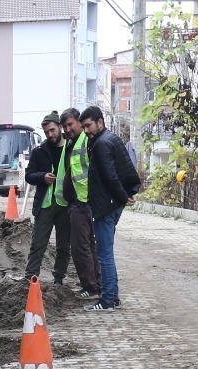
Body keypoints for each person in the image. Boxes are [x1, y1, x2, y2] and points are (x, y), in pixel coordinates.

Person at [79, 106, 142, 312]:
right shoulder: (109, 139)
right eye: (84, 127)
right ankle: (112, 298)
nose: (86, 130)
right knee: (105, 252)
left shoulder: (101, 144)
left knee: (104, 254)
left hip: (106, 205)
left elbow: (110, 175)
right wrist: (125, 194)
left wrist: (123, 197)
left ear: (100, 122)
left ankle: (107, 300)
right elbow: (124, 169)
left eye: (88, 126)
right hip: (113, 203)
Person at [58, 108, 101, 298]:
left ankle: (90, 286)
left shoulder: (84, 141)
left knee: (80, 246)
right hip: (80, 201)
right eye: (64, 126)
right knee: (88, 245)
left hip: (83, 201)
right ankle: (95, 283)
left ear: (78, 122)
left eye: (70, 125)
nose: (67, 129)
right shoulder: (73, 143)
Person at [23, 112, 70, 285]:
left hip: (66, 205)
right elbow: (29, 175)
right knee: (38, 244)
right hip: (45, 204)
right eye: (47, 132)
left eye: (52, 130)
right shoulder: (40, 151)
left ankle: (59, 279)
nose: (50, 134)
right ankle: (30, 277)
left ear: (59, 127)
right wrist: (42, 177)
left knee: (64, 246)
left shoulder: (71, 147)